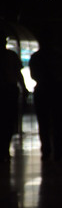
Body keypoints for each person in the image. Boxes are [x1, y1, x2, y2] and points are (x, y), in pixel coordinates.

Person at [29, 31, 62, 162]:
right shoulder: (60, 57)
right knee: (58, 122)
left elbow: (34, 75)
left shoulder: (36, 57)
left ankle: (46, 149)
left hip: (42, 91)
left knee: (43, 123)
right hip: (58, 92)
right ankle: (58, 150)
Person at [0, 31, 29, 162]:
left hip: (6, 90)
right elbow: (18, 74)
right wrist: (24, 88)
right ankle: (5, 149)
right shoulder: (11, 56)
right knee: (9, 121)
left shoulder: (11, 56)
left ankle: (3, 149)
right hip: (10, 90)